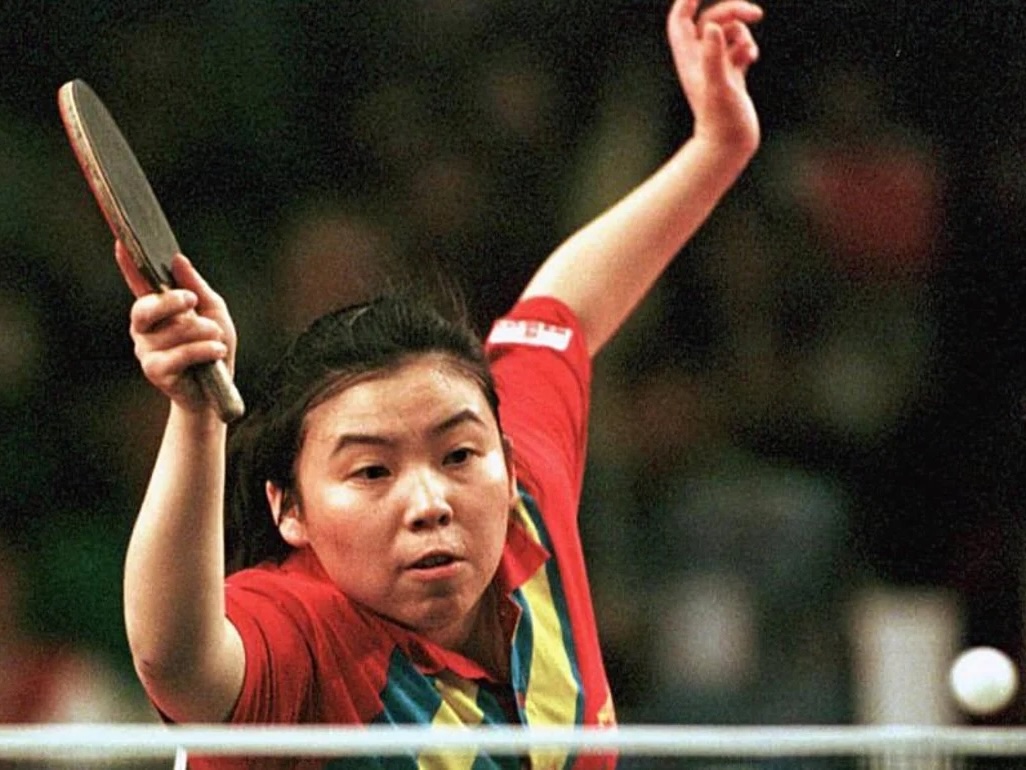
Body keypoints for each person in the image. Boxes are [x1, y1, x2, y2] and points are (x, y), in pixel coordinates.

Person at [116, 0, 762, 767]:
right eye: (371, 471)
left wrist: (715, 149)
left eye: (458, 456)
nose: (430, 502)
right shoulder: (298, 635)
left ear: (506, 463)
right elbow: (174, 658)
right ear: (290, 510)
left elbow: (564, 310)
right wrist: (195, 416)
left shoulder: (526, 503)